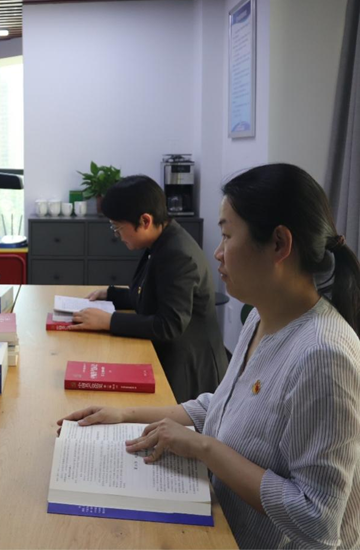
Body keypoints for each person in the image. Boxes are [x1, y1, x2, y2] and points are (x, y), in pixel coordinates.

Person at [60, 163, 360, 549]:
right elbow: (219, 406)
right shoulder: (261, 318)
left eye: (227, 235)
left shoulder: (323, 356)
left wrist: (204, 447)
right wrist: (124, 415)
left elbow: (318, 518)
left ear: (279, 244)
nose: (217, 254)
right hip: (220, 523)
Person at [70, 175, 227, 402]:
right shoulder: (162, 241)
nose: (116, 235)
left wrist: (109, 321)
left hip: (189, 371)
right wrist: (112, 294)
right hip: (173, 356)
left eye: (118, 227)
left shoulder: (177, 254)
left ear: (145, 221)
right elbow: (151, 294)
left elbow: (169, 325)